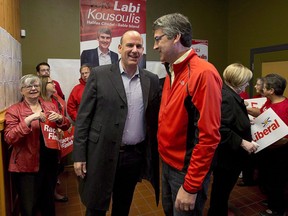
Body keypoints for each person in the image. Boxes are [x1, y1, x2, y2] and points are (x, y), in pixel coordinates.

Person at [73, 30, 161, 216]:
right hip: (100, 154)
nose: (134, 50)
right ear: (120, 48)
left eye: (138, 46)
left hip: (133, 157)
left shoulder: (151, 80)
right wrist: (79, 155)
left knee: (123, 206)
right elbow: (83, 118)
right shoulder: (99, 75)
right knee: (95, 207)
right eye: (130, 45)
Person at [153, 13, 223, 215]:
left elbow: (208, 137)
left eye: (158, 39)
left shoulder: (203, 74)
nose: (155, 46)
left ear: (176, 37)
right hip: (167, 164)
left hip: (186, 171)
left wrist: (191, 186)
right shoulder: (171, 70)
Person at [4, 74, 71, 216]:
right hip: (26, 166)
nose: (33, 88)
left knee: (48, 203)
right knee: (29, 207)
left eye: (36, 85)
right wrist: (29, 119)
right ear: (21, 90)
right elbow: (9, 138)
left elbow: (66, 126)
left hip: (50, 163)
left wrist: (60, 119)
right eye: (29, 86)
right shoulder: (14, 110)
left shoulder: (49, 105)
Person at [207, 63, 259, 216]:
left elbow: (231, 119)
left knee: (222, 191)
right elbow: (221, 128)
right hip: (228, 158)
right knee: (221, 191)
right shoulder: (227, 98)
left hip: (228, 156)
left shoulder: (228, 93)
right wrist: (244, 143)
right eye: (246, 81)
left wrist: (243, 120)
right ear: (238, 81)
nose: (248, 84)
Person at [249, 74, 288, 216]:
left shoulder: (284, 108)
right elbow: (262, 114)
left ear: (271, 90)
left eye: (263, 86)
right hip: (268, 151)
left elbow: (284, 139)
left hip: (279, 153)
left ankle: (276, 209)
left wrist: (264, 143)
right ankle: (273, 200)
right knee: (268, 179)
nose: (260, 88)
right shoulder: (268, 102)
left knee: (276, 181)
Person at [39, 76, 69, 203]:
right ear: (44, 85)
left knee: (57, 167)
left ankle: (52, 194)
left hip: (58, 138)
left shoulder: (57, 99)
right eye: (51, 83)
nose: (55, 85)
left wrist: (60, 122)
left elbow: (63, 118)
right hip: (43, 144)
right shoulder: (37, 102)